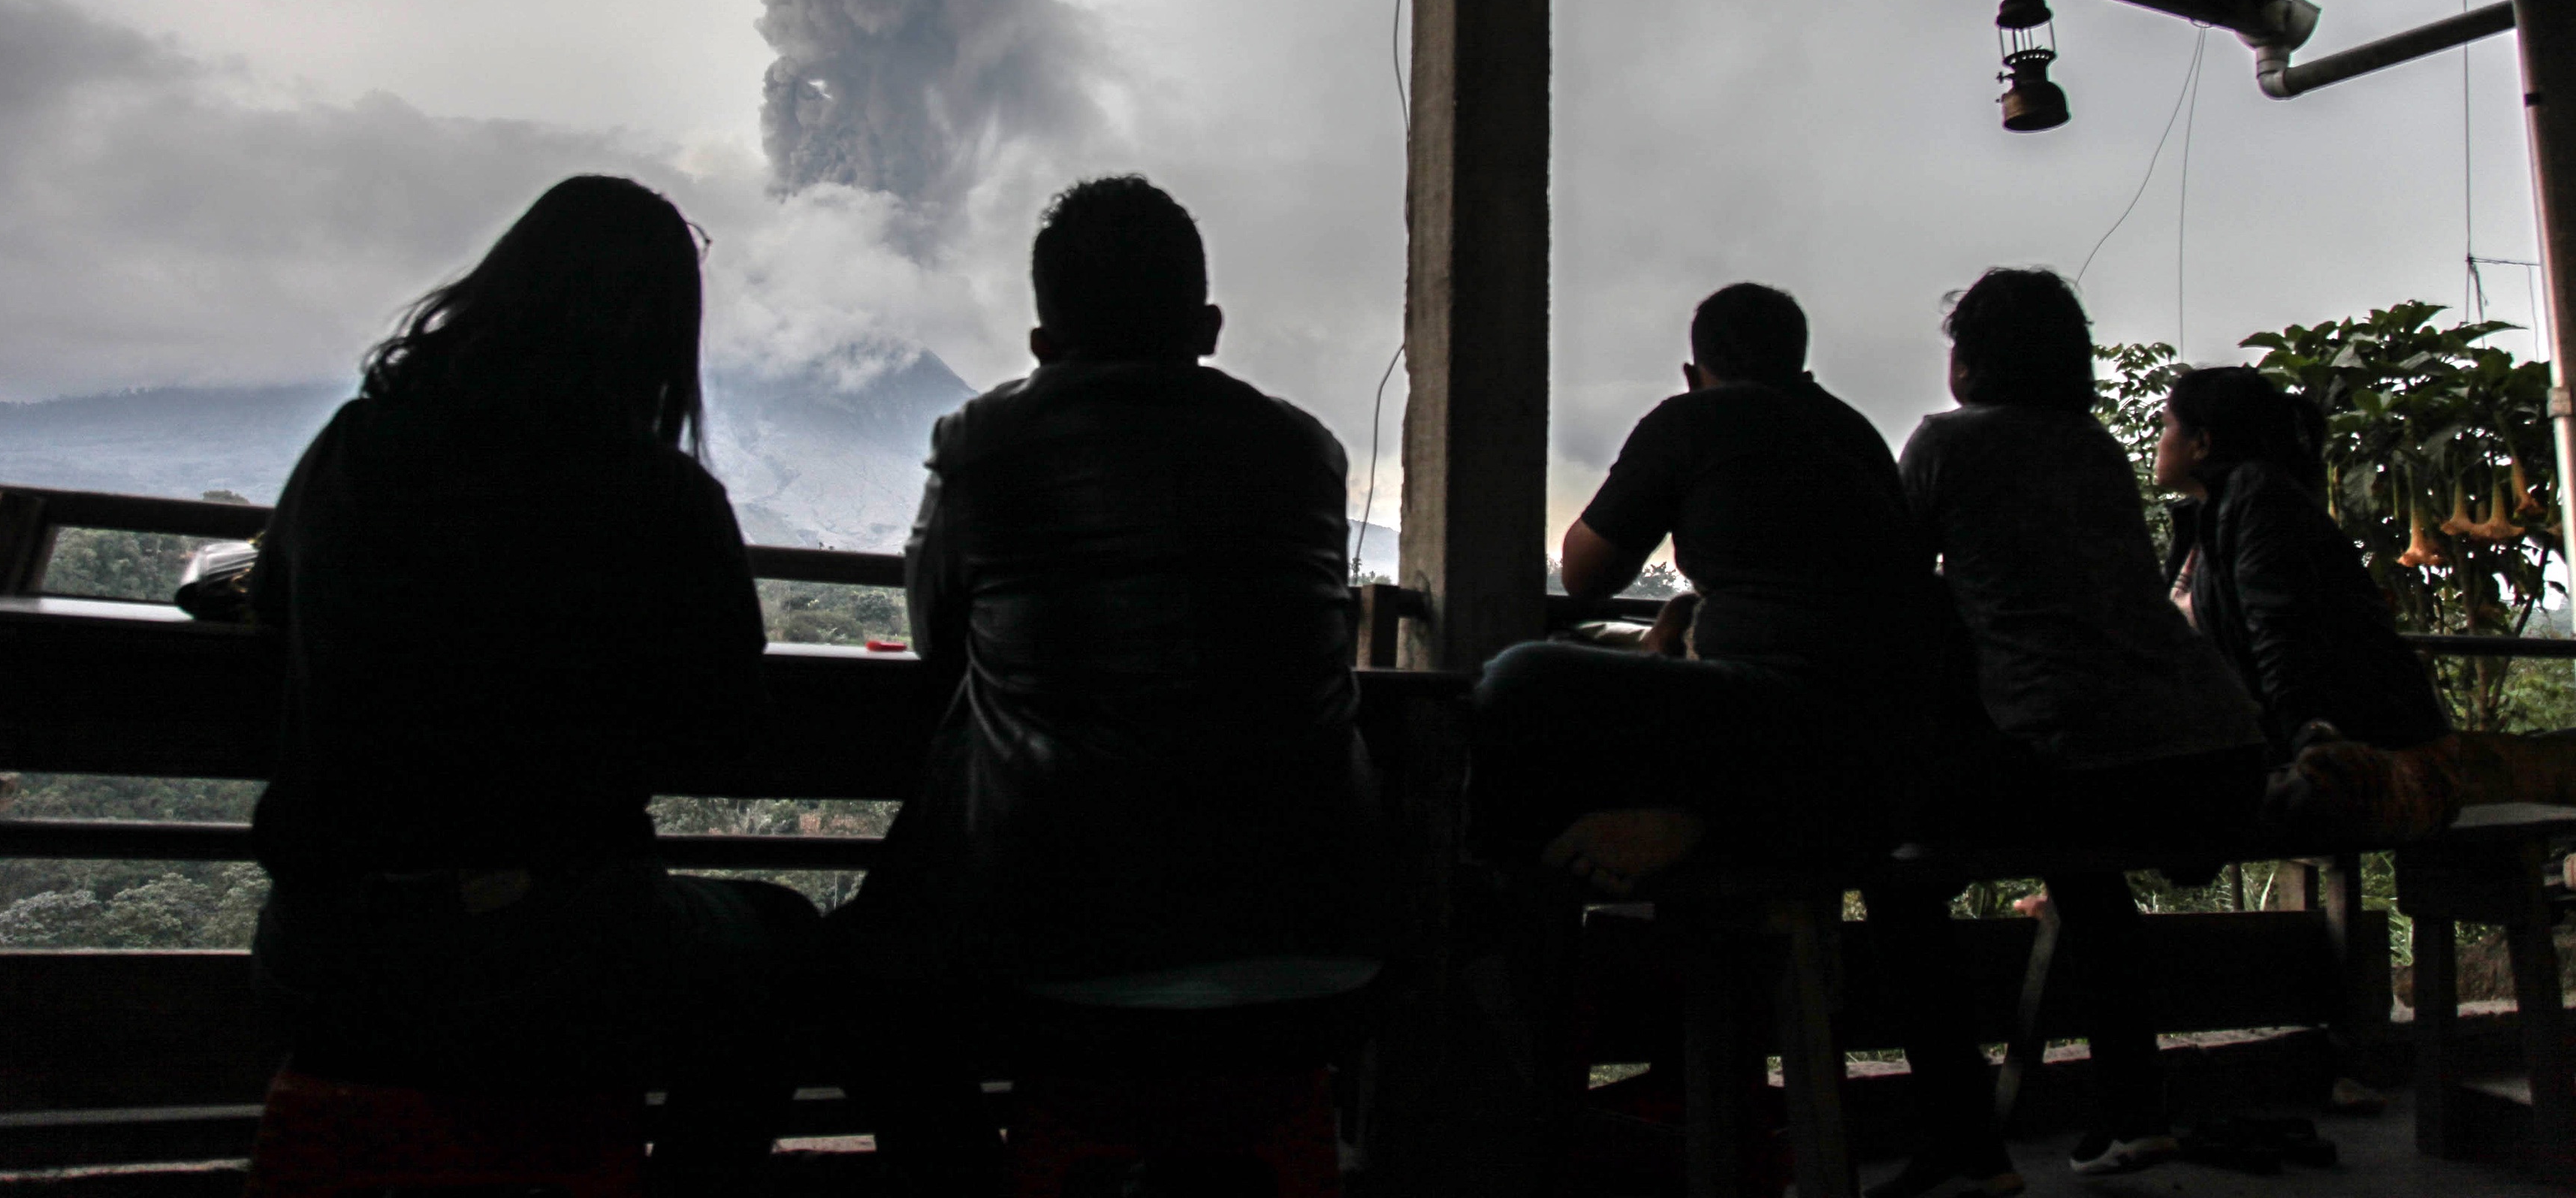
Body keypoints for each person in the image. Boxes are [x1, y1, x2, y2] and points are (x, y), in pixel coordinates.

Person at [245, 176, 817, 1197]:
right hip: (547, 958)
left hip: (322, 951)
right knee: (779, 946)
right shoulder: (662, 500)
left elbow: (273, 602)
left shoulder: (356, 447)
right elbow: (728, 725)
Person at [837, 175, 1386, 1188]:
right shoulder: (1307, 452)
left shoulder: (979, 444)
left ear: (1043, 345)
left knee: (867, 996)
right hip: (1325, 945)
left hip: (1062, 954)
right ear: (1210, 326)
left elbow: (934, 638)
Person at [1866, 270, 2267, 1198]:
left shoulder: (1944, 443)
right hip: (2220, 754)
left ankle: (1965, 1147)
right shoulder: (2090, 446)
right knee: (2085, 868)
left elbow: (1882, 587)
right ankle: (2135, 1114)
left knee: (1896, 869)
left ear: (1967, 363)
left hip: (2086, 757)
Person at [1473, 282, 1957, 895]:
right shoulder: (1854, 433)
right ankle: (1681, 824)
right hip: (1888, 748)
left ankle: (1529, 905)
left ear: (1692, 373)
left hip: (1779, 722)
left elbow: (1584, 575)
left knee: (1517, 678)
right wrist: (1688, 606)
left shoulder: (1695, 418)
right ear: (1799, 364)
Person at [2157, 366, 2450, 756]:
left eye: (2166, 427)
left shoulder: (2257, 499)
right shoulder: (2207, 517)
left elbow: (2281, 634)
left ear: (2201, 443)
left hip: (2363, 758)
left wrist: (2305, 744)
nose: (2160, 441)